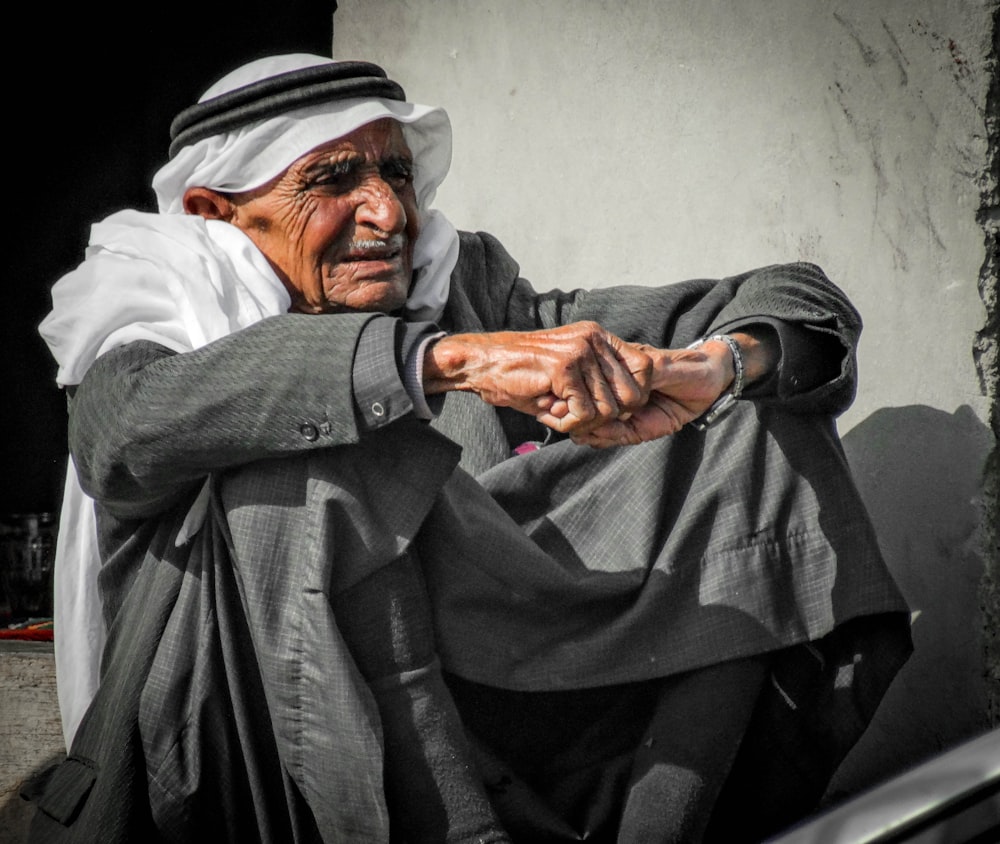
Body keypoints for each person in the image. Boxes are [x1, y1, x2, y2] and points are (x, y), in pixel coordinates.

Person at [30, 53, 912, 843]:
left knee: (756, 419)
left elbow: (786, 295)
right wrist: (444, 362)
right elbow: (122, 433)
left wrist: (721, 365)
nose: (387, 212)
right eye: (334, 179)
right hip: (262, 728)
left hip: (502, 686)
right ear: (218, 212)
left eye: (397, 174)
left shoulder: (461, 284)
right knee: (307, 466)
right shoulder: (153, 313)